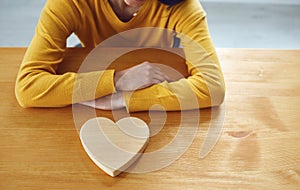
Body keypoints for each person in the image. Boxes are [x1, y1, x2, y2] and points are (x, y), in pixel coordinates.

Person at [15, 0, 225, 112]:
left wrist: (123, 99)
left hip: (156, 70)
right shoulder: (68, 3)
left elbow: (212, 88)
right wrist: (118, 80)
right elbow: (28, 87)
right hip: (99, 59)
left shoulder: (185, 7)